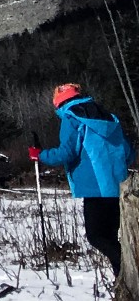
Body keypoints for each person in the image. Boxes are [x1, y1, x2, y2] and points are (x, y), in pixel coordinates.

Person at [32, 82, 133, 272]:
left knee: (97, 237)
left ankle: (128, 272)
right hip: (119, 185)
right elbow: (128, 152)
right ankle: (124, 281)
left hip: (94, 187)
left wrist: (40, 155)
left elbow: (66, 153)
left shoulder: (71, 118)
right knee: (111, 237)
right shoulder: (109, 117)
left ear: (59, 103)